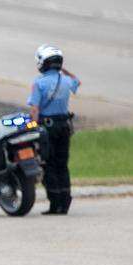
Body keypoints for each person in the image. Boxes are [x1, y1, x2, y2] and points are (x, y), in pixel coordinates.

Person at [29, 45, 81, 215]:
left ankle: (55, 204)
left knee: (49, 165)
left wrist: (32, 127)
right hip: (64, 126)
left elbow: (35, 110)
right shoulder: (66, 81)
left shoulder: (39, 83)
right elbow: (77, 81)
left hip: (47, 128)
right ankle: (65, 203)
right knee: (62, 164)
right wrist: (63, 69)